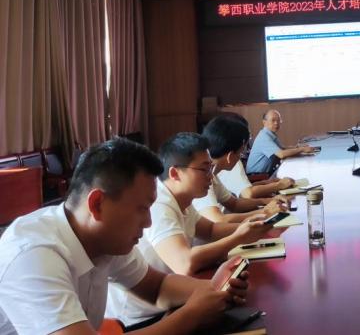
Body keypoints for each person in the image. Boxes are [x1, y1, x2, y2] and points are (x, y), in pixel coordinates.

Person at [0, 138, 249, 334]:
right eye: (141, 209)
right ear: (97, 204)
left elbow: (158, 288)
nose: (149, 221)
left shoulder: (105, 238)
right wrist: (190, 316)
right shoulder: (33, 254)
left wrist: (216, 288)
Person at [107, 133, 273, 327]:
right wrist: (238, 237)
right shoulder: (159, 203)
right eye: (204, 169)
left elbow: (210, 230)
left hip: (169, 301)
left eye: (211, 168)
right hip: (142, 319)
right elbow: (184, 263)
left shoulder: (182, 200)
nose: (211, 175)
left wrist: (217, 286)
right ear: (175, 173)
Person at [195, 115, 289, 223]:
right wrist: (265, 212)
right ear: (230, 156)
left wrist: (267, 201)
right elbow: (218, 220)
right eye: (240, 153)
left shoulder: (212, 174)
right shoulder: (202, 178)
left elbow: (235, 204)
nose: (241, 156)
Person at [246, 110, 316, 174]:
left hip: (264, 174)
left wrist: (297, 147)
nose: (276, 123)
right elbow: (281, 154)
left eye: (278, 120)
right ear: (264, 122)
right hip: (256, 177)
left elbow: (282, 148)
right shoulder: (264, 137)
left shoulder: (269, 134)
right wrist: (301, 149)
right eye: (273, 120)